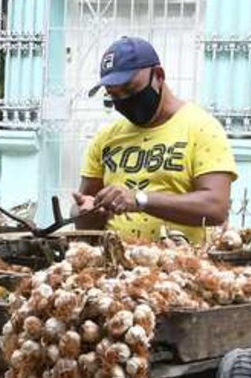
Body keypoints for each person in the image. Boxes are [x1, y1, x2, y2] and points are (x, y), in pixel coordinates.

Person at [76, 36, 237, 242]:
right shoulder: (106, 138)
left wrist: (141, 199)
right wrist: (86, 212)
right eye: (113, 95)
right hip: (114, 266)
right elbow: (84, 209)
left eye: (129, 89)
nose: (123, 100)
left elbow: (215, 207)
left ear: (158, 76)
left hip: (181, 267)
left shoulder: (201, 128)